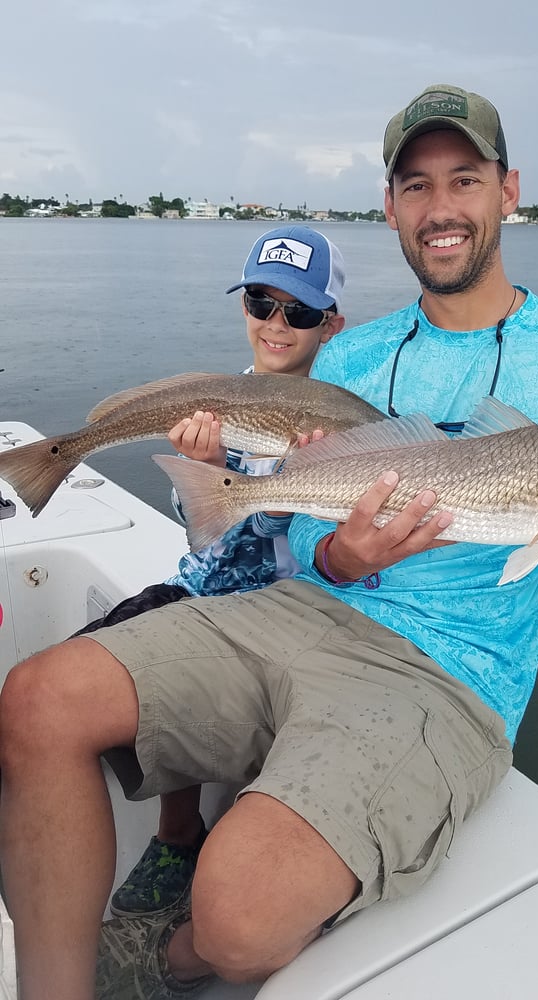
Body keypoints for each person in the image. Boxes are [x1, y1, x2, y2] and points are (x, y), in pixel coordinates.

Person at [0, 84, 538, 1000]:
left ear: (508, 190)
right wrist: (343, 558)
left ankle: (158, 956)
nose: (442, 207)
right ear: (390, 208)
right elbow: (306, 536)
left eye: (464, 178)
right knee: (36, 700)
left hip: (450, 676)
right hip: (302, 608)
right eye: (416, 186)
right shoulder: (349, 356)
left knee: (238, 916)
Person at [73, 223, 346, 919]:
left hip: (299, 607)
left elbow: (338, 539)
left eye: (301, 311)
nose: (277, 324)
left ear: (331, 323)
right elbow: (203, 545)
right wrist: (211, 471)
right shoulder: (215, 402)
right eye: (261, 302)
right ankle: (178, 829)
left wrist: (278, 488)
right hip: (207, 586)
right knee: (84, 671)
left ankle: (199, 831)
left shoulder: (345, 416)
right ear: (243, 307)